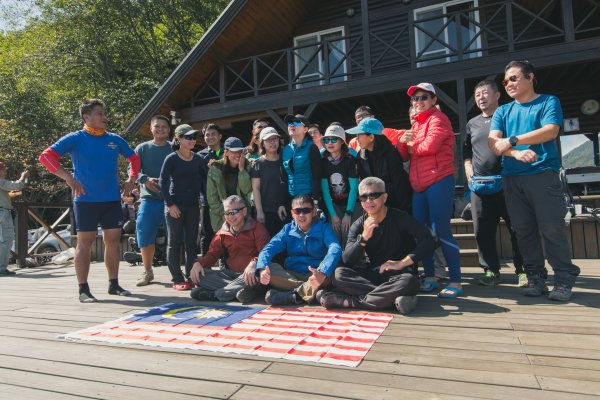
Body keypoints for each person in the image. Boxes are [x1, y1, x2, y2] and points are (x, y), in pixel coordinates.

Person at [489, 60, 580, 301]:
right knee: (523, 232)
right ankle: (536, 277)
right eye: (505, 80)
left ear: (530, 77)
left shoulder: (548, 101)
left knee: (552, 229)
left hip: (543, 175)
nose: (508, 84)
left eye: (514, 78)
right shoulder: (502, 111)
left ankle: (563, 280)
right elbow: (494, 143)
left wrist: (514, 139)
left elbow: (551, 130)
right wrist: (515, 152)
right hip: (512, 179)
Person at [39, 98, 140, 302]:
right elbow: (46, 157)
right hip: (85, 200)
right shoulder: (76, 138)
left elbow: (135, 158)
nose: (105, 117)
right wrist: (68, 177)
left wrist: (131, 180)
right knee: (84, 243)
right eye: (100, 113)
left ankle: (114, 284)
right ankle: (83, 289)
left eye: (104, 113)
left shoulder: (115, 139)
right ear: (87, 117)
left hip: (111, 199)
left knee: (112, 241)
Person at [319, 177, 436, 314]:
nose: (368, 201)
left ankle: (350, 301)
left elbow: (430, 239)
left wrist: (401, 263)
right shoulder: (358, 225)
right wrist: (363, 238)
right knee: (338, 274)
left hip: (399, 275)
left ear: (385, 197)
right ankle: (392, 299)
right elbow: (347, 260)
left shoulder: (400, 217)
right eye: (363, 197)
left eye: (374, 195)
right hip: (374, 274)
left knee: (409, 282)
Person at [396, 83, 462, 298]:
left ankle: (456, 281)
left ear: (434, 100)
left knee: (441, 231)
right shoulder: (415, 124)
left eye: (423, 97)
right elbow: (405, 156)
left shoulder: (439, 119)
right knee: (422, 234)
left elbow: (430, 147)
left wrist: (411, 143)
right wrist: (401, 144)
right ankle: (431, 277)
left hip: (439, 180)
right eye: (415, 99)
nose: (418, 102)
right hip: (419, 185)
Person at [463, 80, 525, 287]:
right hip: (480, 185)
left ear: (497, 95)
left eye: (485, 92)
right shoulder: (472, 123)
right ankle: (490, 270)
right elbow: (465, 153)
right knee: (482, 230)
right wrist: (468, 170)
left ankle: (523, 271)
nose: (481, 97)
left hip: (508, 182)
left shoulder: (508, 116)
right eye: (477, 94)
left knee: (517, 228)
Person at [256, 194, 342, 306]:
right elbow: (268, 249)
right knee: (268, 268)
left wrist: (322, 271)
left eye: (306, 210)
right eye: (297, 211)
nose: (301, 215)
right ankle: (313, 292)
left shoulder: (324, 228)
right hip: (292, 276)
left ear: (313, 211)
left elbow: (335, 248)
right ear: (292, 213)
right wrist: (262, 270)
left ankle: (293, 296)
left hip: (316, 274)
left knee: (334, 272)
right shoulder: (287, 229)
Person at [189, 195, 270, 303]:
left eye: (234, 212)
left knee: (260, 274)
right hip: (231, 275)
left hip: (251, 274)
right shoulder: (223, 232)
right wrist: (199, 264)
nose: (230, 216)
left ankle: (216, 294)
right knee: (199, 275)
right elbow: (212, 255)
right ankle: (243, 291)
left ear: (244, 211)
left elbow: (265, 253)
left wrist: (254, 263)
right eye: (227, 213)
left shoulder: (257, 228)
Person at [159, 124, 205, 291]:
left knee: (192, 243)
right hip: (174, 207)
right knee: (174, 243)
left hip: (193, 206)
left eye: (194, 137)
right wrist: (170, 205)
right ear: (178, 139)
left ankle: (191, 276)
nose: (192, 140)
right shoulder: (171, 158)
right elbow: (162, 183)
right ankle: (177, 278)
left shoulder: (198, 159)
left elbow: (205, 181)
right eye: (188, 137)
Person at [133, 114, 172, 286]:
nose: (160, 129)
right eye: (157, 126)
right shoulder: (142, 148)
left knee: (177, 236)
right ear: (151, 128)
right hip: (149, 200)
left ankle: (178, 271)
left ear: (169, 130)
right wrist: (145, 180)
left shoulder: (174, 148)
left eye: (164, 126)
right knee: (144, 233)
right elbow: (132, 168)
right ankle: (147, 271)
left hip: (170, 200)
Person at [346, 117, 412, 213]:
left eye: (359, 134)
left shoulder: (391, 153)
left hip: (397, 208)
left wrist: (403, 213)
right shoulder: (360, 156)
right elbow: (366, 188)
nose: (356, 138)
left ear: (371, 137)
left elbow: (399, 185)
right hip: (375, 209)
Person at [320, 124, 360, 248]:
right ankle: (338, 264)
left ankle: (354, 264)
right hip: (335, 204)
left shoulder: (350, 159)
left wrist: (348, 213)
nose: (329, 143)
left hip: (352, 203)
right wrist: (333, 215)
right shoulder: (323, 161)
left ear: (342, 141)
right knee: (335, 234)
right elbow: (325, 191)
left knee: (349, 235)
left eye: (334, 139)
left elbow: (354, 188)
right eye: (326, 139)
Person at [206, 136, 253, 232]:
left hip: (242, 216)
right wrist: (228, 215)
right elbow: (212, 200)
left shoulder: (248, 166)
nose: (238, 154)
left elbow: (246, 190)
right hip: (221, 217)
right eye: (234, 151)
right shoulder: (215, 169)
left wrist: (241, 170)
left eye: (240, 151)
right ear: (226, 152)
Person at [251, 127, 290, 237]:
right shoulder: (258, 163)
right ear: (263, 143)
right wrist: (259, 211)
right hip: (266, 211)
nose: (272, 142)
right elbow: (256, 188)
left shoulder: (285, 160)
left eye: (275, 139)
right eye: (268, 140)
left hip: (286, 209)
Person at [282, 114, 323, 202]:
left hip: (309, 198)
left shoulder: (312, 148)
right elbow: (284, 178)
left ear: (305, 129)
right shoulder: (285, 150)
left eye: (296, 122)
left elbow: (317, 176)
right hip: (291, 199)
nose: (292, 125)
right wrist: (282, 202)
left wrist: (315, 200)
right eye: (289, 123)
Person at [197, 123, 223, 255]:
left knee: (225, 232)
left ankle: (225, 262)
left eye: (213, 134)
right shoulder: (199, 156)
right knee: (206, 233)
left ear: (220, 136)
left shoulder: (227, 153)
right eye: (207, 135)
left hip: (225, 201)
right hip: (206, 201)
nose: (210, 137)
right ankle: (204, 266)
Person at [0, 162, 29, 276]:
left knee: (5, 240)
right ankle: (1, 268)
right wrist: (23, 177)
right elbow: (16, 185)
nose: (5, 172)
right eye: (3, 170)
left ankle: (2, 267)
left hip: (3, 212)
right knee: (5, 240)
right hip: (2, 213)